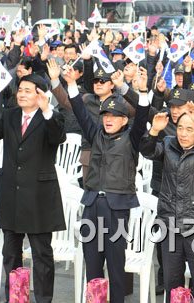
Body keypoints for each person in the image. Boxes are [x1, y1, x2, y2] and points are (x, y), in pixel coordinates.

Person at [64, 65, 150, 303]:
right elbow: (81, 113)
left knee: (115, 265)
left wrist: (143, 92)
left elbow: (142, 118)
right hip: (92, 204)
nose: (109, 120)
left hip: (117, 207)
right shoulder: (96, 135)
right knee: (92, 263)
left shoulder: (131, 138)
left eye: (114, 117)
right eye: (105, 116)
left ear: (124, 120)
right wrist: (71, 84)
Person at [0, 74, 67, 303]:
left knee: (42, 256)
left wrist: (48, 111)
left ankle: (44, 299)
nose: (22, 94)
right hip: (12, 196)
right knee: (11, 255)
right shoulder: (10, 115)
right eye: (20, 90)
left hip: (39, 197)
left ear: (40, 94)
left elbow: (57, 138)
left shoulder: (52, 117)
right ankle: (15, 298)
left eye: (28, 90)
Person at [140, 99, 194, 303]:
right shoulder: (168, 144)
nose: (183, 134)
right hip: (170, 222)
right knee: (172, 282)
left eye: (190, 129)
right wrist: (154, 132)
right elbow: (148, 151)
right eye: (181, 128)